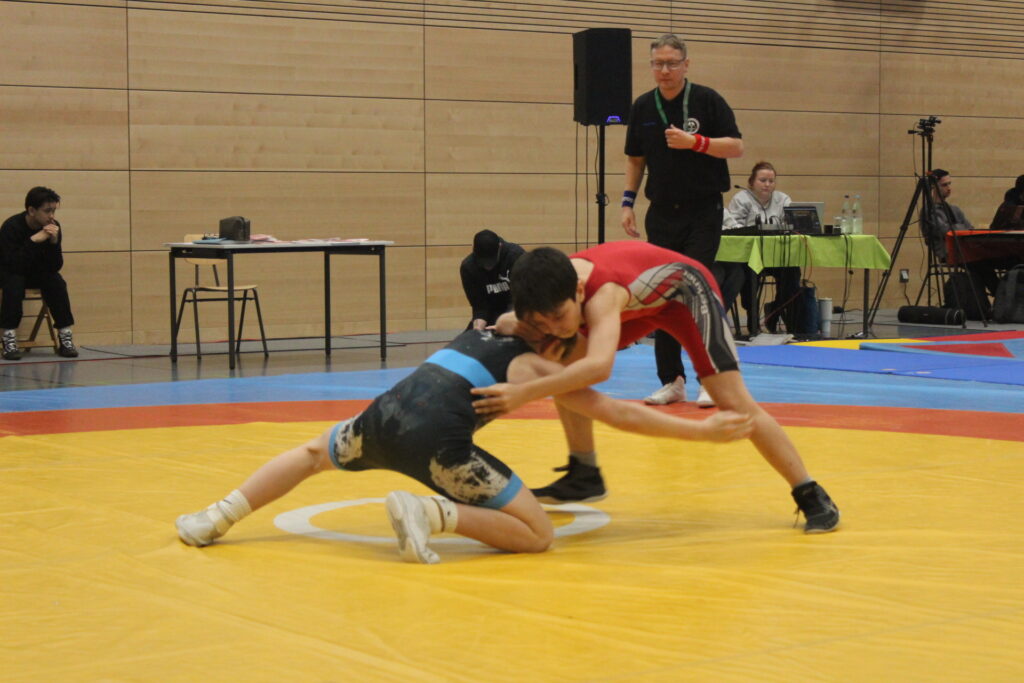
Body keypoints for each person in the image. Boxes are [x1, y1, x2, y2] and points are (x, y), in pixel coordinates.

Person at [175, 328, 754, 564]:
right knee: (539, 534)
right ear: (559, 333)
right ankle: (433, 512)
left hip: (384, 415)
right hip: (437, 449)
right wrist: (700, 431)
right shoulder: (539, 366)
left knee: (310, 455)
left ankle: (215, 517)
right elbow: (616, 413)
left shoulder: (481, 328)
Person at [472, 243, 840, 533]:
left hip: (687, 293)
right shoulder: (550, 289)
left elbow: (599, 368)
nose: (554, 327)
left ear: (579, 291)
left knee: (734, 402)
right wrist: (513, 325)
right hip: (641, 302)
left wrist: (527, 391)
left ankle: (809, 491)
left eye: (558, 316)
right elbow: (510, 321)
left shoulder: (602, 294)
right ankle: (584, 472)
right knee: (560, 354)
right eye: (543, 320)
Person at [620, 34, 744, 407]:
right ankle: (671, 380)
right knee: (662, 296)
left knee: (696, 293)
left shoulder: (707, 100)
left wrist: (697, 142)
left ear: (686, 65)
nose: (665, 70)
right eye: (658, 63)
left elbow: (736, 146)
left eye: (672, 63)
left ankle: (712, 379)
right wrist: (627, 203)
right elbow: (635, 159)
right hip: (661, 213)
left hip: (703, 210)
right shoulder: (643, 106)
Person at [719, 161, 801, 334]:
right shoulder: (742, 198)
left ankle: (775, 311)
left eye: (771, 181)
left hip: (776, 255)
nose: (767, 184)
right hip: (748, 256)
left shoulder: (783, 199)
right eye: (763, 180)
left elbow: (791, 224)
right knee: (748, 274)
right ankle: (753, 319)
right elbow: (733, 229)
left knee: (793, 271)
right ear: (751, 182)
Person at [1, 187, 78, 361]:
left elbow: (55, 266)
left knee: (56, 281)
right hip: (10, 272)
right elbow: (12, 264)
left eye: (54, 211)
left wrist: (53, 243)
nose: (51, 216)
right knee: (13, 284)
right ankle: (9, 337)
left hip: (37, 273)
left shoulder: (53, 227)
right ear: (31, 210)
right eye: (47, 211)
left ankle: (65, 335)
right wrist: (34, 240)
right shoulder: (11, 227)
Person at [925, 169, 999, 301]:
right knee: (982, 264)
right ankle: (999, 296)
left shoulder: (955, 209)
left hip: (965, 249)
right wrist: (960, 228)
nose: (949, 188)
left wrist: (959, 229)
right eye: (944, 185)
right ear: (934, 187)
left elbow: (970, 229)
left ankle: (999, 296)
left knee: (992, 258)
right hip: (948, 252)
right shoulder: (929, 211)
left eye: (949, 184)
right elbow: (945, 231)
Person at [460, 229, 525, 330]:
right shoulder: (468, 268)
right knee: (469, 338)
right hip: (492, 313)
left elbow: (522, 299)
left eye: (491, 261)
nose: (488, 267)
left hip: (519, 310)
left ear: (500, 247)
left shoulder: (516, 257)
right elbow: (480, 307)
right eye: (483, 263)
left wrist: (503, 325)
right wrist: (478, 328)